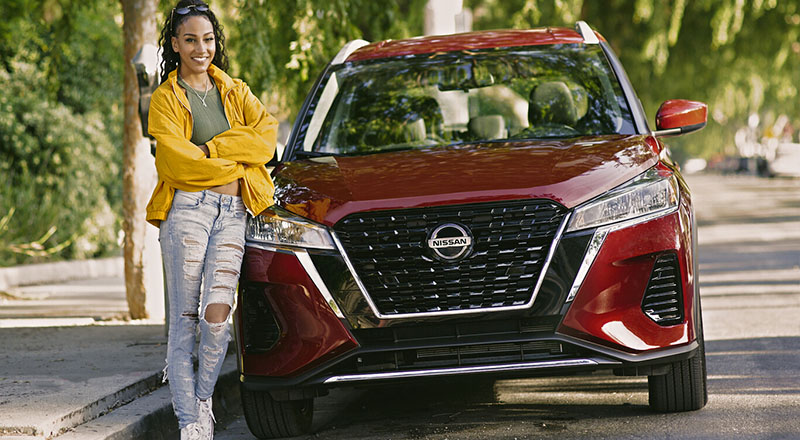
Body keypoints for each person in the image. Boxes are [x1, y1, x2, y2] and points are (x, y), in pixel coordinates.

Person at [145, 1, 278, 438]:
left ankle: (203, 399)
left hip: (233, 213)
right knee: (184, 321)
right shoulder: (166, 99)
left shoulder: (235, 91)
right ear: (175, 44)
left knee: (218, 316)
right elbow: (176, 164)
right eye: (190, 40)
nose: (200, 48)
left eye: (207, 39)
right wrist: (236, 159)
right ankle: (191, 423)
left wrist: (211, 150)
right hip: (187, 211)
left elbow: (266, 141)